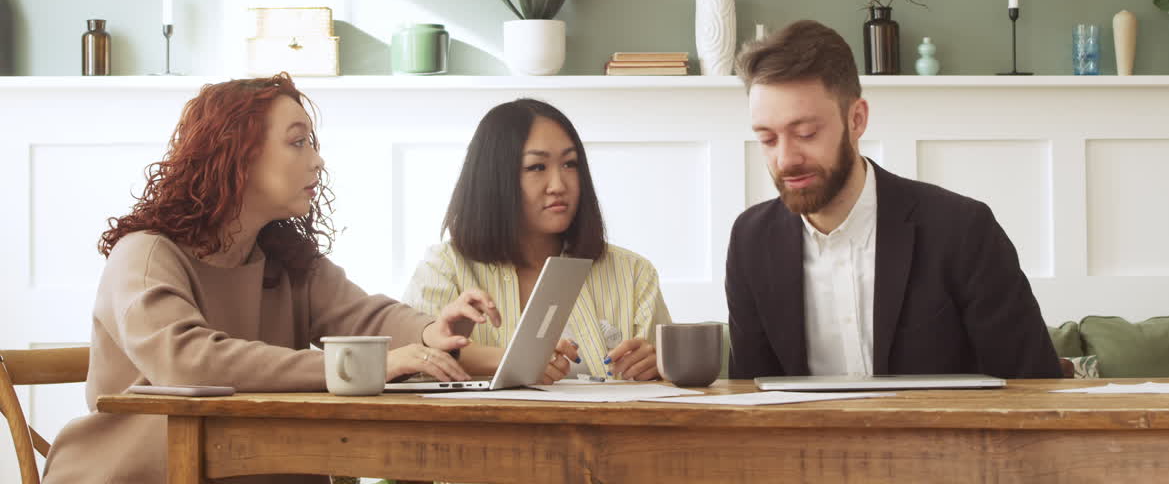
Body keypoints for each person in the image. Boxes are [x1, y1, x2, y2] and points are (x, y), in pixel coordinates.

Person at [43, 74, 498, 484]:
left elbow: (365, 315)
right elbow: (187, 361)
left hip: (246, 466)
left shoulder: (287, 260)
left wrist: (428, 330)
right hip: (133, 473)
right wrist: (358, 369)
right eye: (298, 142)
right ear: (236, 154)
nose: (318, 160)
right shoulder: (145, 254)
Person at [726, 21, 1060, 380]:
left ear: (856, 120)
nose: (786, 159)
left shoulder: (962, 230)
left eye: (806, 133)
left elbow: (1033, 387)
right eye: (767, 139)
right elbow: (750, 402)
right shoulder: (751, 241)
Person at [404, 98, 671, 382]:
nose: (559, 185)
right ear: (494, 178)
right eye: (536, 167)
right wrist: (507, 362)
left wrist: (660, 366)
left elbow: (670, 383)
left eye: (570, 164)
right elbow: (411, 360)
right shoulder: (443, 269)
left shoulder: (634, 273)